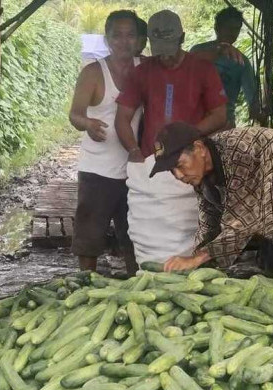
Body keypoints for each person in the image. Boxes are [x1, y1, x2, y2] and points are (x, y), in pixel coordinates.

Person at [149, 123, 273, 275]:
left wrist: (197, 259)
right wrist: (197, 263)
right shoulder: (202, 171)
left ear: (199, 148)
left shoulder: (239, 153)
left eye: (180, 165)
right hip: (272, 210)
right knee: (269, 278)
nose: (179, 175)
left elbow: (243, 221)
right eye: (171, 171)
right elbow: (210, 221)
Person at [115, 10, 227, 264]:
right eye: (159, 50)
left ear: (183, 38)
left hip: (190, 160)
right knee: (149, 234)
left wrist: (188, 137)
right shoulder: (142, 71)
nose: (165, 56)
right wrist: (134, 152)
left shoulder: (202, 69)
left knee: (195, 230)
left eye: (170, 48)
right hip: (153, 163)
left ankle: (194, 271)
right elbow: (122, 118)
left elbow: (220, 115)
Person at [69, 10, 141, 276]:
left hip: (134, 169)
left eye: (130, 35)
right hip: (97, 170)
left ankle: (137, 284)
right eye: (117, 35)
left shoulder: (144, 68)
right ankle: (87, 285)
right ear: (107, 38)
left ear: (138, 38)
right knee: (89, 238)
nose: (124, 41)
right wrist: (87, 124)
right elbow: (75, 114)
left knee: (134, 236)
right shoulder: (93, 73)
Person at [190, 6, 260, 128]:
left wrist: (259, 111)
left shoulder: (241, 62)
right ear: (217, 28)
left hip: (224, 125)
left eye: (236, 29)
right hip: (196, 120)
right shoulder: (198, 51)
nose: (232, 33)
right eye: (228, 28)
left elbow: (252, 102)